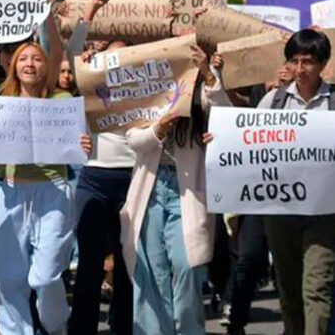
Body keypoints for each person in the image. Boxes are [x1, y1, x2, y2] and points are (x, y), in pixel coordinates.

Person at [0, 42, 92, 335]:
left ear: (46, 66)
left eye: (37, 58)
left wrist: (84, 144)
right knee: (9, 278)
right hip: (11, 192)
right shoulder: (2, 102)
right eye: (23, 59)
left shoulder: (62, 99)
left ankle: (55, 327)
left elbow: (77, 142)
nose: (29, 64)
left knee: (46, 277)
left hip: (52, 193)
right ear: (13, 67)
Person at [121, 41, 230, 335]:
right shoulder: (146, 92)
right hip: (151, 190)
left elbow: (226, 115)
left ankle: (190, 329)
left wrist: (208, 73)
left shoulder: (202, 93)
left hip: (187, 193)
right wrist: (158, 129)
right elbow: (133, 140)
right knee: (151, 272)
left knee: (187, 266)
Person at [253, 29, 335, 335]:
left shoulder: (333, 101)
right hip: (281, 210)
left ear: (323, 63)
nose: (300, 69)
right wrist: (220, 140)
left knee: (317, 288)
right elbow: (248, 142)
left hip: (324, 212)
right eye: (294, 61)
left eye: (308, 62)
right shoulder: (274, 101)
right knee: (288, 291)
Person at [69, 41, 135, 335]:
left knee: (126, 261)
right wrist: (84, 59)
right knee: (90, 260)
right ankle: (82, 329)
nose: (116, 59)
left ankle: (123, 326)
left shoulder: (145, 89)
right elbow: (67, 51)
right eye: (111, 55)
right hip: (94, 177)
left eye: (123, 54)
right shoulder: (90, 85)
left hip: (132, 178)